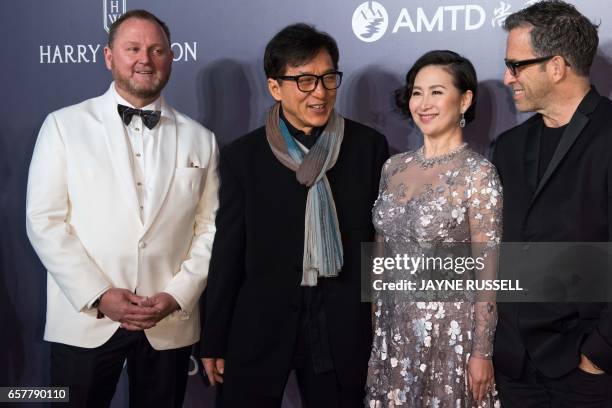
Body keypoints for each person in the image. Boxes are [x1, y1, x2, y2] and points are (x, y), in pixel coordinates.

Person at [25, 9, 219, 408]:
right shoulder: (63, 126)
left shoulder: (202, 139)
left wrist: (176, 295)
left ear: (170, 57)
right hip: (85, 320)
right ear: (109, 56)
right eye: (132, 48)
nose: (144, 59)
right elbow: (44, 221)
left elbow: (210, 228)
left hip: (167, 320)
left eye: (156, 50)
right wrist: (98, 295)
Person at [200, 23, 388, 408]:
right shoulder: (243, 157)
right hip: (261, 324)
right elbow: (229, 252)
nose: (319, 92)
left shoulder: (367, 146)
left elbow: (380, 245)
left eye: (328, 78)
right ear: (275, 87)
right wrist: (214, 338)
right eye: (304, 81)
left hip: (340, 325)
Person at [491, 1, 612, 406]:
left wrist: (597, 355)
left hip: (585, 370)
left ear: (556, 66)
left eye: (516, 65)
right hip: (514, 367)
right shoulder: (508, 147)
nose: (507, 79)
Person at [365, 50, 502, 407]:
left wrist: (481, 352)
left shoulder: (478, 174)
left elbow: (488, 270)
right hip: (392, 335)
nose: (424, 103)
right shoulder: (392, 169)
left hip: (449, 338)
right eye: (416, 92)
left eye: (437, 92)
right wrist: (378, 321)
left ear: (465, 99)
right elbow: (382, 253)